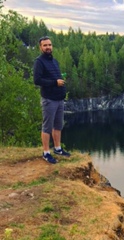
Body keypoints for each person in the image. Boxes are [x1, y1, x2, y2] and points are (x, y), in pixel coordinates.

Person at [33, 36, 70, 164]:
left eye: (49, 45)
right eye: (45, 45)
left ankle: (58, 148)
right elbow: (37, 80)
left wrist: (60, 82)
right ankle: (46, 152)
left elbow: (56, 77)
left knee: (58, 125)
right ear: (40, 47)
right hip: (49, 99)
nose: (48, 47)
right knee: (47, 126)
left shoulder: (54, 61)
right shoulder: (39, 61)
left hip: (59, 99)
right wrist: (55, 82)